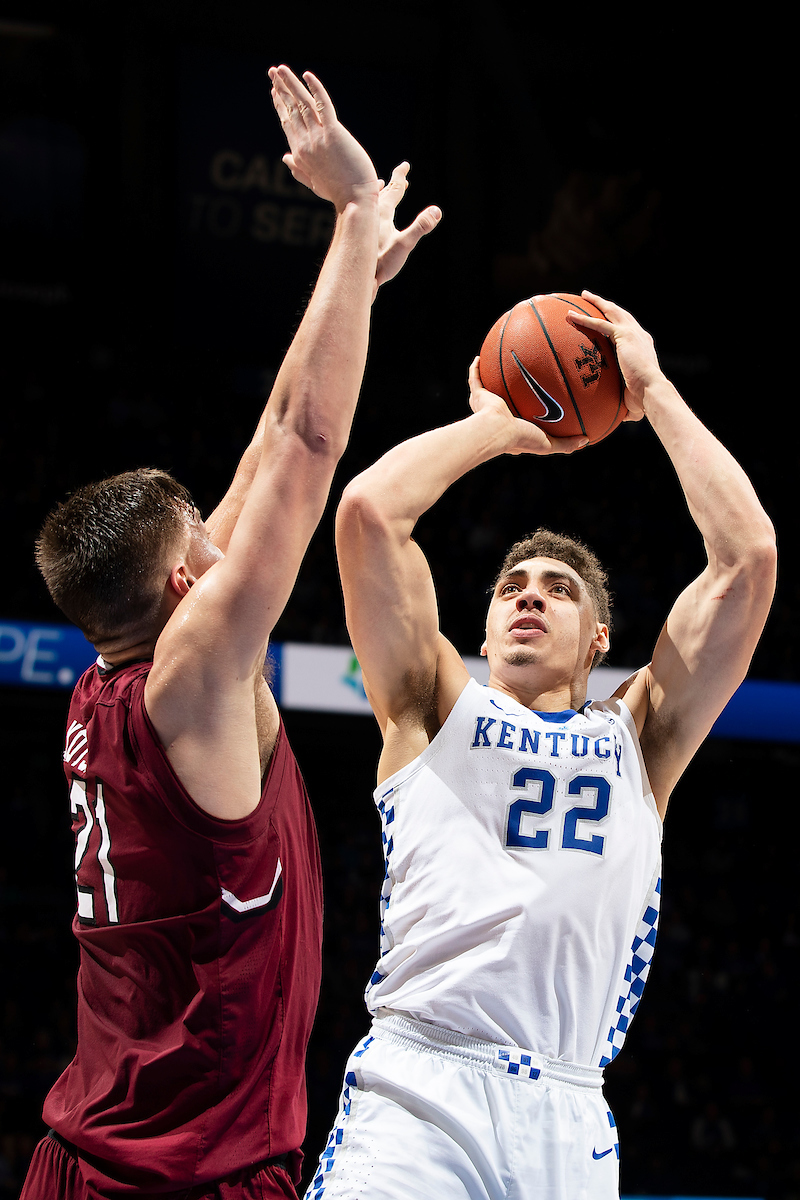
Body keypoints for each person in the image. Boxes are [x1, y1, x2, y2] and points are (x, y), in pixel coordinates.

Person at [21, 66, 440, 1200]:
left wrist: (350, 271)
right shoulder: (196, 678)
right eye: (205, 528)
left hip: (82, 1154)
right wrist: (353, 213)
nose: (226, 523)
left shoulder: (109, 686)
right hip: (183, 1177)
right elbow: (305, 449)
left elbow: (267, 439)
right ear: (178, 579)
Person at [307, 293, 776, 1200]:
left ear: (599, 639)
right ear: (482, 630)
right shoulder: (431, 709)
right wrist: (495, 429)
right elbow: (369, 514)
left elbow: (748, 558)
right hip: (420, 1088)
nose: (529, 595)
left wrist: (652, 388)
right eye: (511, 586)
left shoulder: (642, 738)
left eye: (558, 589)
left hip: (565, 1112)